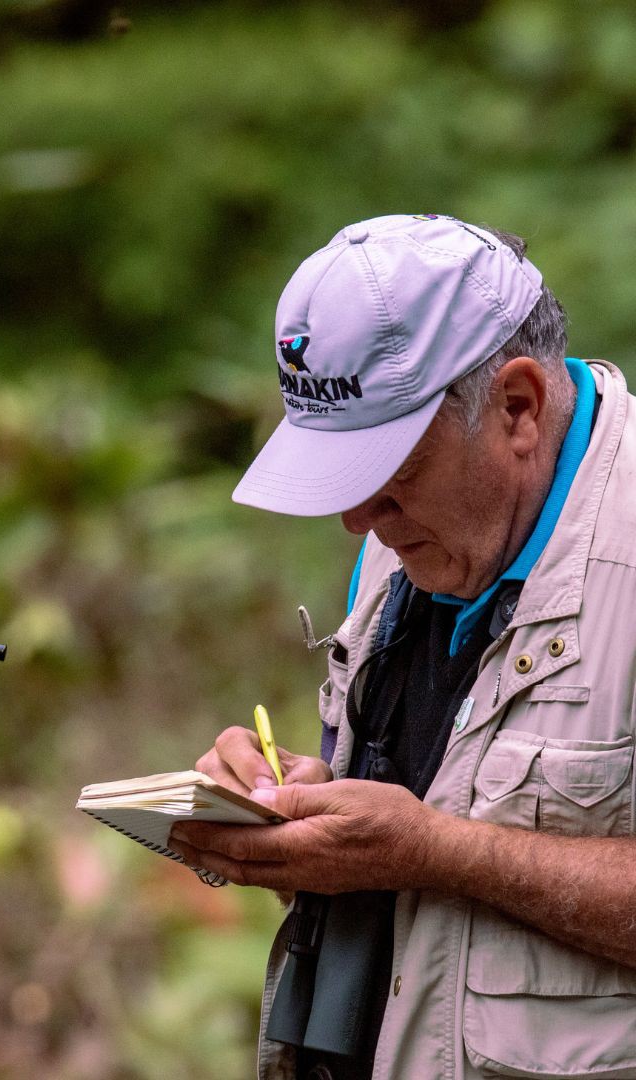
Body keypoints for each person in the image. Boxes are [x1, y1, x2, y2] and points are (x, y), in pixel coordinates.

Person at [167, 214, 636, 1080]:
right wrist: (299, 810)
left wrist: (434, 850)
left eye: (390, 473)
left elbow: (433, 836)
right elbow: (436, 788)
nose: (357, 520)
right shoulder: (404, 541)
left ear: (518, 407)